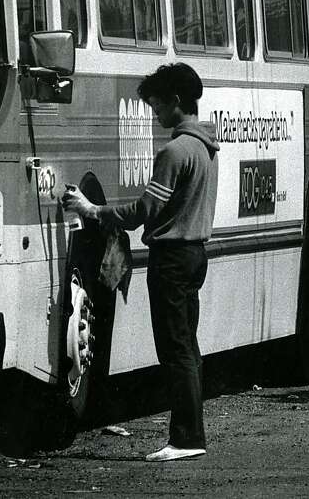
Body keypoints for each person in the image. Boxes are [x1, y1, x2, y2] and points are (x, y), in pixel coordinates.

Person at [62, 62, 219, 461]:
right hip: (195, 254)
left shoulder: (173, 151)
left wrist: (91, 209)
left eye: (157, 107)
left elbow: (143, 210)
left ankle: (185, 439)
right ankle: (190, 434)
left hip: (170, 259)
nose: (155, 115)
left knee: (175, 350)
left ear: (176, 101)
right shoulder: (205, 148)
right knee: (188, 347)